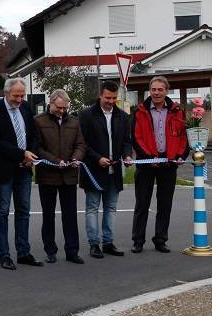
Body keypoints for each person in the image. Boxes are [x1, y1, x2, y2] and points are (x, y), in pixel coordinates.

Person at [0, 78, 43, 270]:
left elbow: (33, 134)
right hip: (4, 170)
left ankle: (23, 252)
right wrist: (21, 153)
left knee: (24, 212)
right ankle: (4, 255)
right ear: (6, 93)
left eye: (22, 95)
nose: (19, 99)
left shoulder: (26, 107)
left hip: (24, 169)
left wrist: (31, 154)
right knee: (2, 213)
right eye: (15, 96)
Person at [131, 76, 188, 254]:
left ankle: (160, 239)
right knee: (142, 203)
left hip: (169, 163)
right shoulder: (140, 111)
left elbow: (184, 137)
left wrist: (180, 155)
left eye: (160, 90)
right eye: (153, 89)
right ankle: (138, 240)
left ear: (166, 91)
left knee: (165, 204)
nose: (156, 93)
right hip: (147, 163)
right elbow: (136, 137)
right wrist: (149, 157)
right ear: (150, 90)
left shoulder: (177, 111)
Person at [78, 81, 132, 259]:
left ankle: (108, 242)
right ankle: (94, 244)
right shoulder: (86, 115)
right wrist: (97, 158)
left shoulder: (123, 116)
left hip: (114, 171)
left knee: (111, 208)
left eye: (114, 98)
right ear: (100, 95)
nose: (111, 101)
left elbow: (126, 141)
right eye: (108, 98)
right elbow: (82, 143)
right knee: (92, 208)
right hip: (93, 170)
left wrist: (127, 156)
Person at [34, 89, 86, 264]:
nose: (62, 111)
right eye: (59, 107)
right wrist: (55, 161)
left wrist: (75, 158)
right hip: (47, 176)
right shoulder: (39, 121)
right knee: (48, 215)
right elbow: (37, 148)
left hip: (69, 176)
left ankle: (72, 251)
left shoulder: (74, 122)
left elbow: (80, 145)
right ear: (51, 103)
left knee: (70, 215)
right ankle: (50, 250)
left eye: (65, 108)